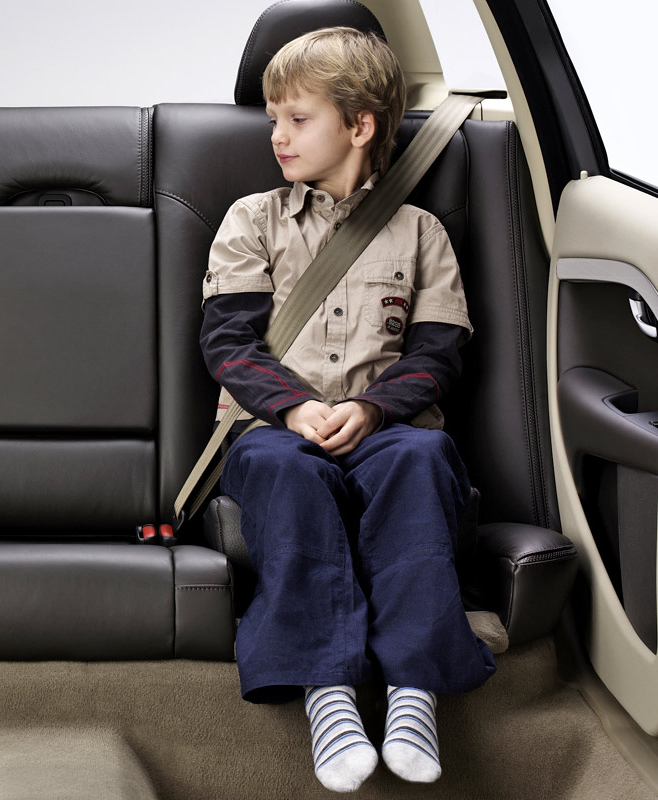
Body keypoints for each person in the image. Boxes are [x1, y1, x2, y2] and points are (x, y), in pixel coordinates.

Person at [199, 27, 495, 792]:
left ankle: (413, 695)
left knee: (424, 458)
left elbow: (436, 356)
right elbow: (229, 343)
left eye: (298, 119)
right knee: (286, 473)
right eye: (274, 119)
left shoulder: (421, 234)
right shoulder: (252, 220)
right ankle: (328, 697)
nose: (277, 135)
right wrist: (295, 409)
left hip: (388, 430)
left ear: (360, 126)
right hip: (276, 432)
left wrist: (370, 409)